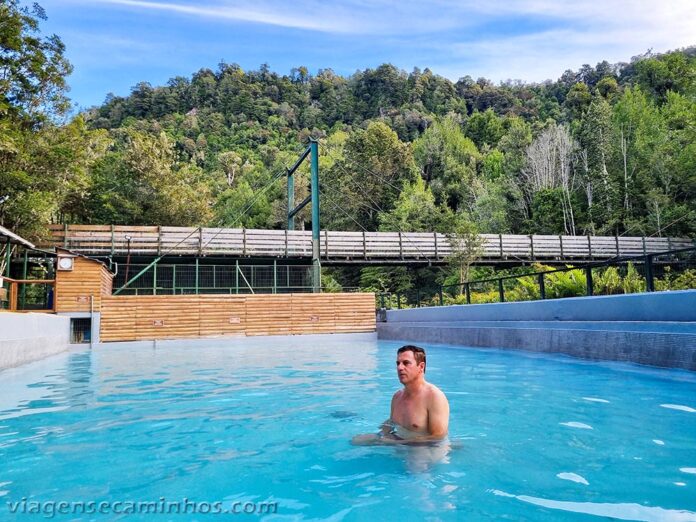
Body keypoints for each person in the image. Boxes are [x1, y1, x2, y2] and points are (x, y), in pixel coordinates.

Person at [352, 345, 450, 445]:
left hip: (424, 449)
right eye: (398, 363)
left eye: (406, 363)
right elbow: (391, 423)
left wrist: (398, 443)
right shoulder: (397, 396)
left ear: (421, 366)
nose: (400, 367)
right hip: (402, 441)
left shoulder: (434, 397)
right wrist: (379, 436)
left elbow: (438, 438)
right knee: (357, 441)